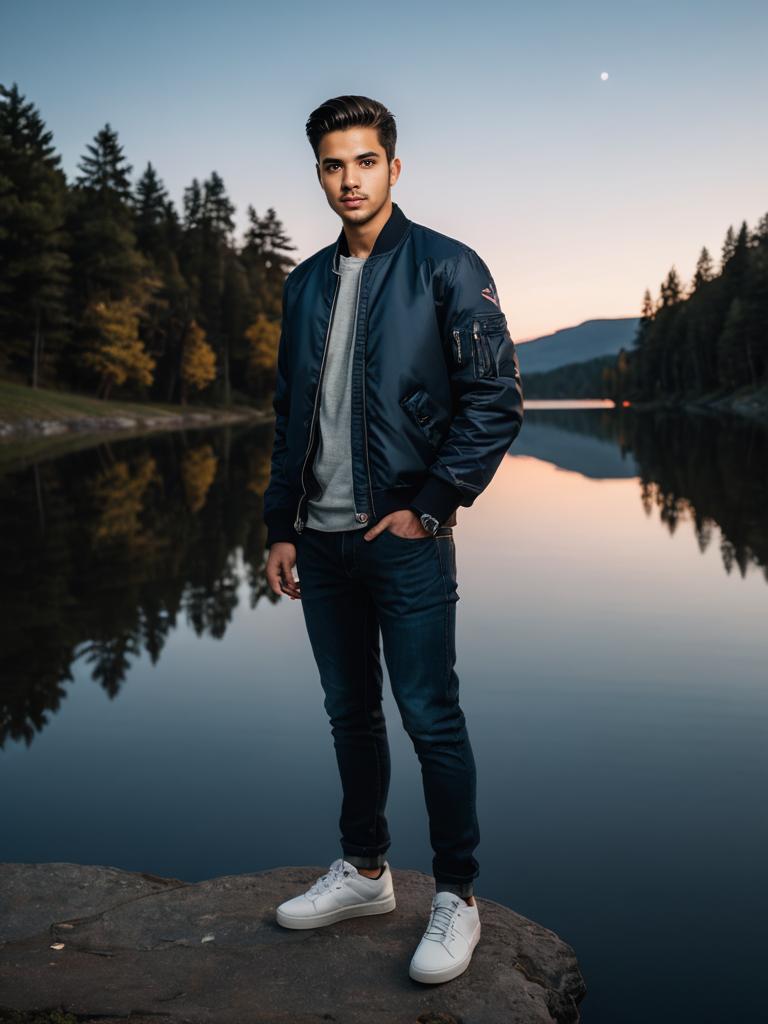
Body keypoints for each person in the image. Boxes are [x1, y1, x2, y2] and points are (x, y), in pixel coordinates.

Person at [264, 94, 524, 985]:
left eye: (364, 161)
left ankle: (457, 894)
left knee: (430, 717)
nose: (349, 179)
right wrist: (280, 526)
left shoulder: (447, 268)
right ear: (320, 173)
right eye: (333, 164)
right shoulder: (304, 284)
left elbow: (495, 402)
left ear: (393, 168)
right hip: (322, 541)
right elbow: (289, 414)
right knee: (349, 713)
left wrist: (431, 504)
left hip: (406, 537)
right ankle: (366, 871)